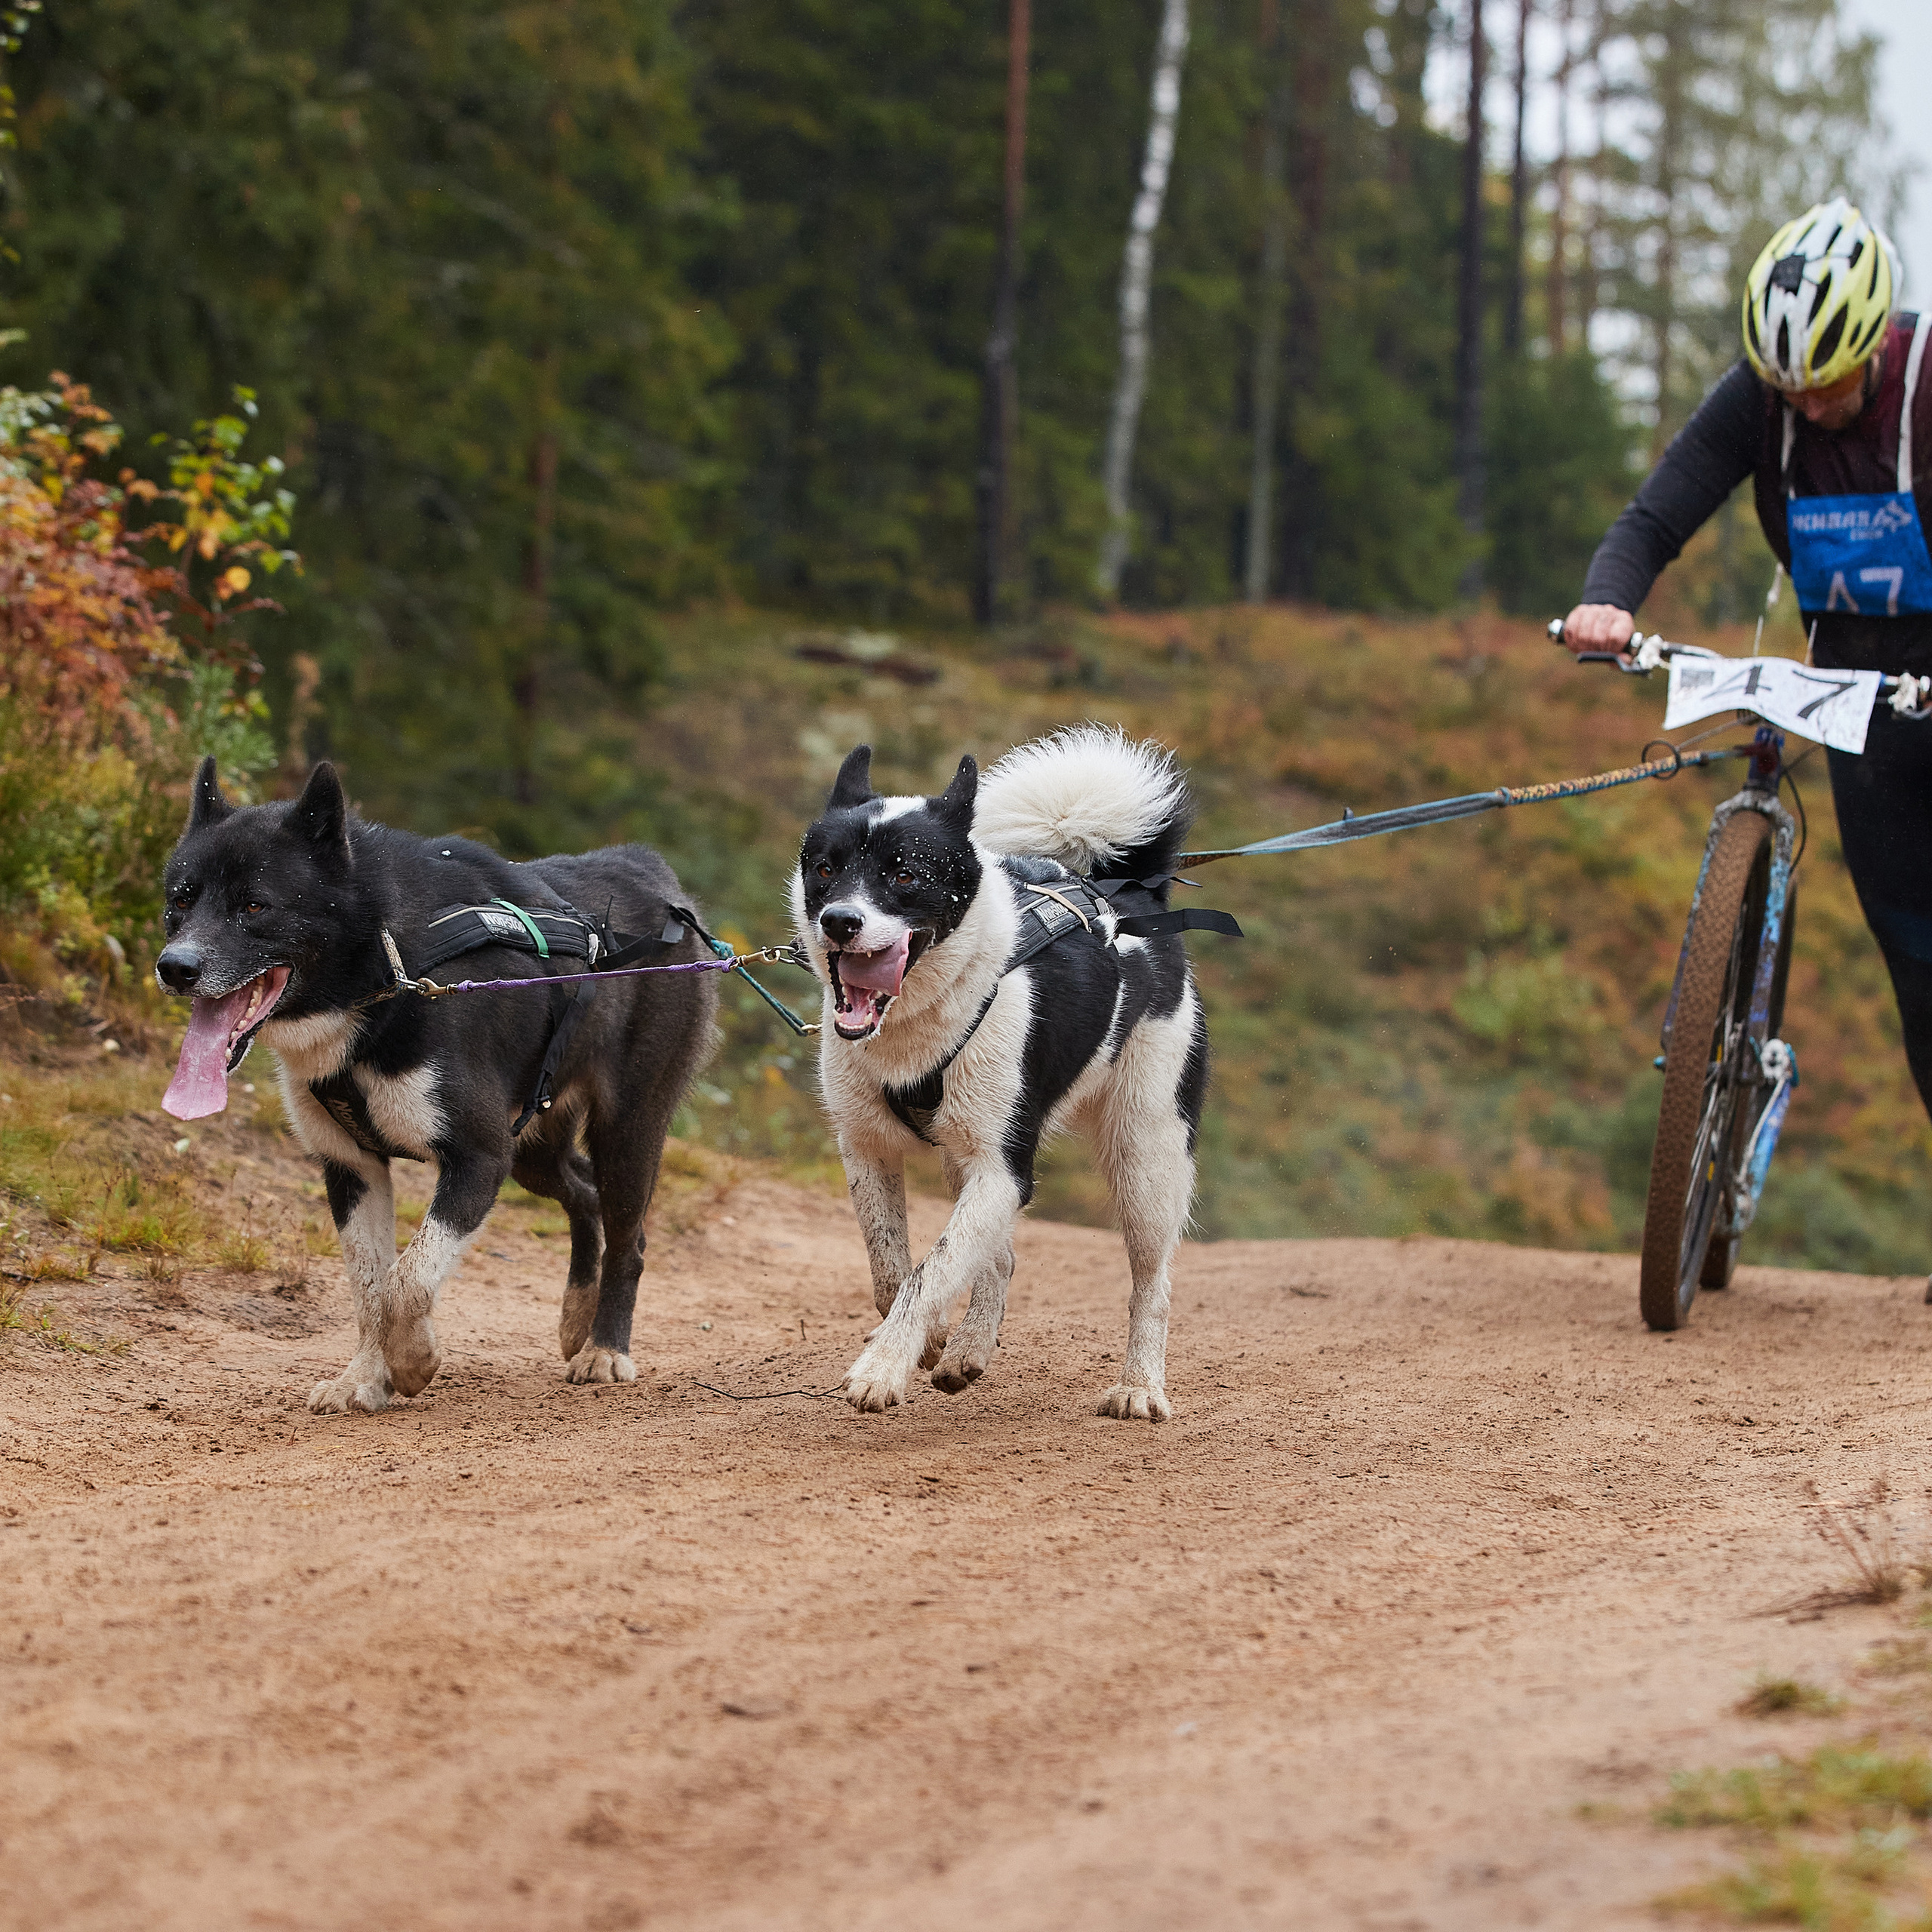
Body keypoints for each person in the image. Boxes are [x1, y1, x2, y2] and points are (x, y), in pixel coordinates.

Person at [1564, 196, 1932, 1281]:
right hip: (1856, 687)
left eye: (1827, 381)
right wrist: (1607, 602)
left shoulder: (1925, 388)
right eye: (1788, 386)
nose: (1809, 405)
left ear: (1869, 347)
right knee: (1918, 968)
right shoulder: (1764, 401)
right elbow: (1656, 514)